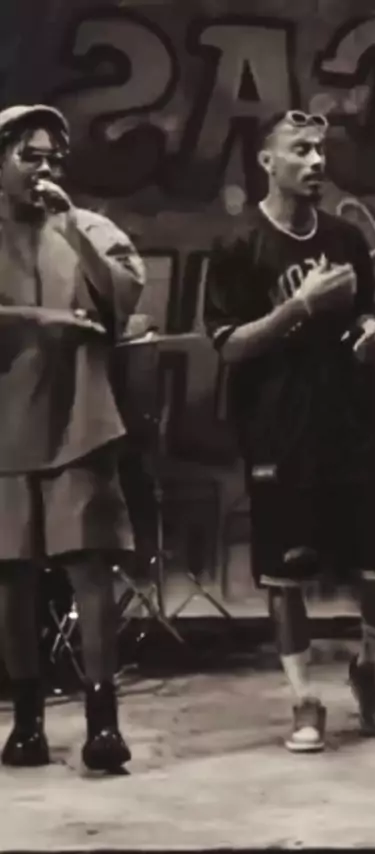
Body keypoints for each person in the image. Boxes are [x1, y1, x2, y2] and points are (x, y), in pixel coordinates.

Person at [204, 110, 375, 752]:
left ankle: (370, 666)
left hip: (353, 424)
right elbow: (230, 345)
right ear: (267, 162)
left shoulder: (345, 239)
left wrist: (369, 333)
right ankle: (303, 700)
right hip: (280, 432)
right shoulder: (239, 245)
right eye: (301, 150)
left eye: (320, 150)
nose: (317, 161)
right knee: (286, 574)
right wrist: (298, 306)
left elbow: (366, 314)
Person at [0, 104, 145, 772]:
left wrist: (74, 231)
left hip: (79, 420)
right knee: (12, 579)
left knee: (91, 568)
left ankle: (103, 722)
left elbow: (120, 301)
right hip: (7, 427)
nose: (44, 169)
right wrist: (47, 319)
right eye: (29, 155)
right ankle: (27, 722)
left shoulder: (91, 228)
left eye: (53, 158)